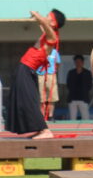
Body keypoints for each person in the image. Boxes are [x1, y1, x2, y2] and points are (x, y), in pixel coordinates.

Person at [7, 9, 66, 139]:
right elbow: (43, 24)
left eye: (48, 16)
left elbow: (44, 23)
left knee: (29, 101)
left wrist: (36, 14)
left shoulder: (52, 35)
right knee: (25, 100)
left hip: (27, 69)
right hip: (25, 68)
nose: (45, 17)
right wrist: (40, 19)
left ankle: (45, 130)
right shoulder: (47, 34)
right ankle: (39, 129)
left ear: (53, 23)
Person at [66, 55, 93, 121]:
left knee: (86, 118)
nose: (78, 63)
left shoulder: (87, 73)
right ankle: (72, 131)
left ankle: (86, 131)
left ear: (83, 62)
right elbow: (68, 84)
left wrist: (85, 91)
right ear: (74, 63)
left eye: (80, 62)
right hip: (72, 98)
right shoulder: (71, 72)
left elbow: (90, 85)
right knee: (72, 118)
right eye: (76, 62)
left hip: (83, 98)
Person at [38, 47, 62, 121]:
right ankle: (42, 116)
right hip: (40, 74)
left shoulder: (55, 52)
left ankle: (50, 115)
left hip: (51, 74)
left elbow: (58, 63)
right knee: (41, 97)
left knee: (52, 96)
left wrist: (53, 71)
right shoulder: (39, 51)